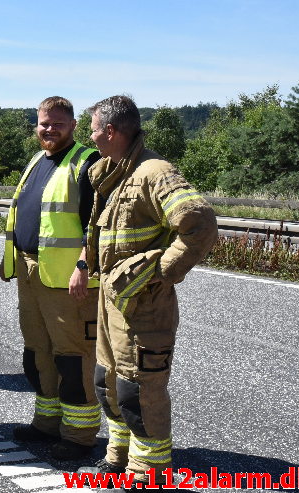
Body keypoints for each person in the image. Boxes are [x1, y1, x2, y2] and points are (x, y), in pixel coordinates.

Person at [85, 95, 217, 484]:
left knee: (138, 388)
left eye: (92, 129)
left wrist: (161, 270)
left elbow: (201, 223)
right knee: (106, 381)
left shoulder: (154, 172)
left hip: (144, 305)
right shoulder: (115, 171)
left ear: (110, 131)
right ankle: (119, 452)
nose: (89, 136)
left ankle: (150, 470)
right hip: (112, 299)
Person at [1, 96, 103, 461]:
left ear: (73, 125)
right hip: (32, 273)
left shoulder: (86, 162)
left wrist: (83, 266)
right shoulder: (37, 161)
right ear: (36, 125)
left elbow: (99, 224)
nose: (50, 129)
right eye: (44, 123)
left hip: (68, 282)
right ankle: (47, 423)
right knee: (38, 353)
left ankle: (79, 435)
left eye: (58, 123)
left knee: (72, 359)